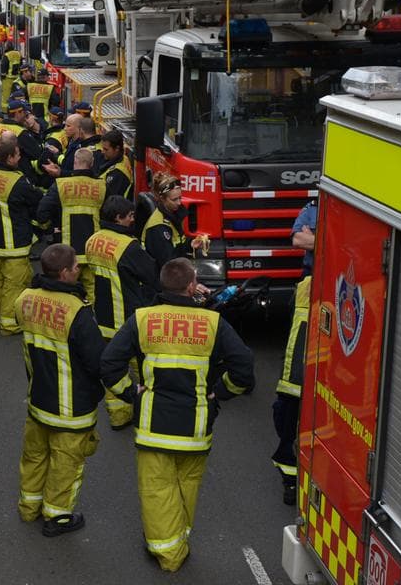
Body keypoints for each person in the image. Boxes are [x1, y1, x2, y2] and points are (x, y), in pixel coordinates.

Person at [101, 258, 255, 572]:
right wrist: (220, 393)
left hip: (152, 428)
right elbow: (244, 367)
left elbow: (109, 364)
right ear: (190, 285)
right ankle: (176, 541)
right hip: (195, 429)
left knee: (158, 490)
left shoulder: (142, 319)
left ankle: (167, 552)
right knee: (187, 486)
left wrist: (131, 394)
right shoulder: (212, 323)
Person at [15, 243, 106, 536]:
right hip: (71, 408)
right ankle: (58, 516)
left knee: (35, 456)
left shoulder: (24, 299)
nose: (80, 269)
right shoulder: (78, 312)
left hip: (38, 398)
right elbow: (96, 362)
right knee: (66, 464)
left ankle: (29, 507)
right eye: (76, 267)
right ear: (65, 273)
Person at [86, 196, 158, 429]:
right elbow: (151, 276)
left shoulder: (93, 240)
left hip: (103, 317)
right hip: (128, 319)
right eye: (130, 216)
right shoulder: (128, 246)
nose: (132, 219)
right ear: (118, 217)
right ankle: (149, 411)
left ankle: (119, 415)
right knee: (144, 366)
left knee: (114, 367)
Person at [0, 137, 43, 334]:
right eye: (17, 155)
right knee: (14, 285)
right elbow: (35, 201)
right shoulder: (18, 182)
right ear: (9, 158)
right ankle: (8, 324)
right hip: (14, 244)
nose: (20, 158)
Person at [37, 148, 104, 293]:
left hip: (66, 253)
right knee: (92, 291)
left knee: (65, 290)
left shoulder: (61, 185)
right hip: (92, 250)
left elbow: (42, 212)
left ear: (75, 162)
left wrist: (51, 229)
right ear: (91, 163)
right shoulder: (102, 186)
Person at [271, 274, 311, 505]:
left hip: (297, 376)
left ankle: (291, 480)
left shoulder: (305, 286)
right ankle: (293, 478)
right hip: (311, 378)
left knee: (288, 423)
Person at [142, 172, 208, 272]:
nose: (179, 202)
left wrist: (191, 244)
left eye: (180, 197)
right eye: (174, 199)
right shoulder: (158, 228)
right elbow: (169, 266)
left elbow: (177, 244)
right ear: (162, 199)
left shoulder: (173, 214)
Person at [98, 130, 133, 201]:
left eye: (106, 149)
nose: (102, 151)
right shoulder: (122, 158)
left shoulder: (118, 173)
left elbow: (111, 200)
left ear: (117, 148)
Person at [291, 199, 317, 277]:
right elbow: (298, 240)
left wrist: (312, 238)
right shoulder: (312, 208)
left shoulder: (350, 207)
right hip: (311, 274)